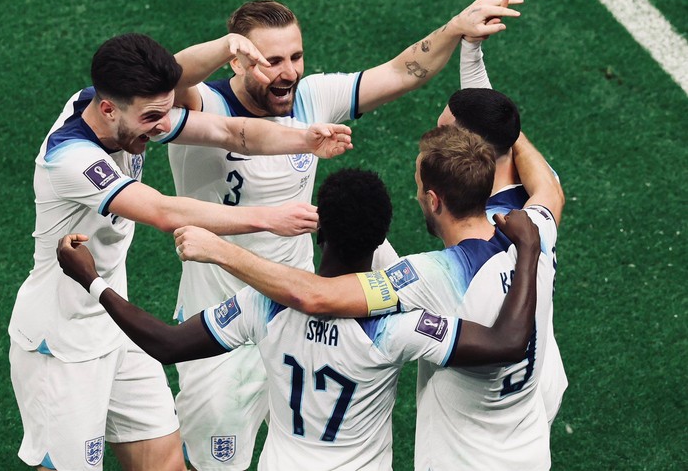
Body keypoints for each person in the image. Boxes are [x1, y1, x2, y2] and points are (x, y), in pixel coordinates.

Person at [167, 0, 523, 470]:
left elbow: (401, 72)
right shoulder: (202, 110)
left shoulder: (311, 98)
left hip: (296, 317)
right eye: (272, 60)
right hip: (222, 322)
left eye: (296, 56)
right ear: (237, 59)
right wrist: (222, 45)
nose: (289, 72)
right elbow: (165, 78)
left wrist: (456, 27)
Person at [7, 32, 353, 471]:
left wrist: (304, 138)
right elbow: (164, 211)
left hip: (115, 325)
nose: (163, 126)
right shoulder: (71, 157)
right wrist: (268, 217)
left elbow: (231, 131)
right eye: (152, 117)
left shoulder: (113, 105)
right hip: (61, 342)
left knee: (166, 462)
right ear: (109, 109)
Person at [57, 167, 542, 470]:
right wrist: (527, 249)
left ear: (318, 231)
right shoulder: (399, 326)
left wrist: (94, 282)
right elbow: (507, 343)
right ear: (381, 242)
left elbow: (166, 343)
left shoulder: (263, 304)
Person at [173, 125, 563, 470]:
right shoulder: (535, 229)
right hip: (528, 447)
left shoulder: (429, 276)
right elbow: (550, 191)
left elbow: (317, 296)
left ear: (433, 200)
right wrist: (508, 128)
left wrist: (218, 250)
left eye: (416, 187)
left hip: (462, 459)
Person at [447, 0, 569, 426]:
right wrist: (471, 48)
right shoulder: (538, 196)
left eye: (446, 132)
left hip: (492, 401)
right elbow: (549, 185)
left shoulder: (472, 219)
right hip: (542, 376)